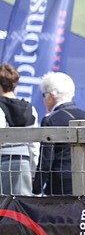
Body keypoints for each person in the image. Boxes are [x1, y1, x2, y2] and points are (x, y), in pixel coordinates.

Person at [35, 72, 85, 195]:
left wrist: (37, 187)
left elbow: (46, 159)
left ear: (50, 95)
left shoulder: (50, 119)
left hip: (59, 183)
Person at [0, 62, 38, 195]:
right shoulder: (30, 109)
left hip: (3, 160)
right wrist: (33, 169)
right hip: (23, 161)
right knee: (19, 208)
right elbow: (34, 144)